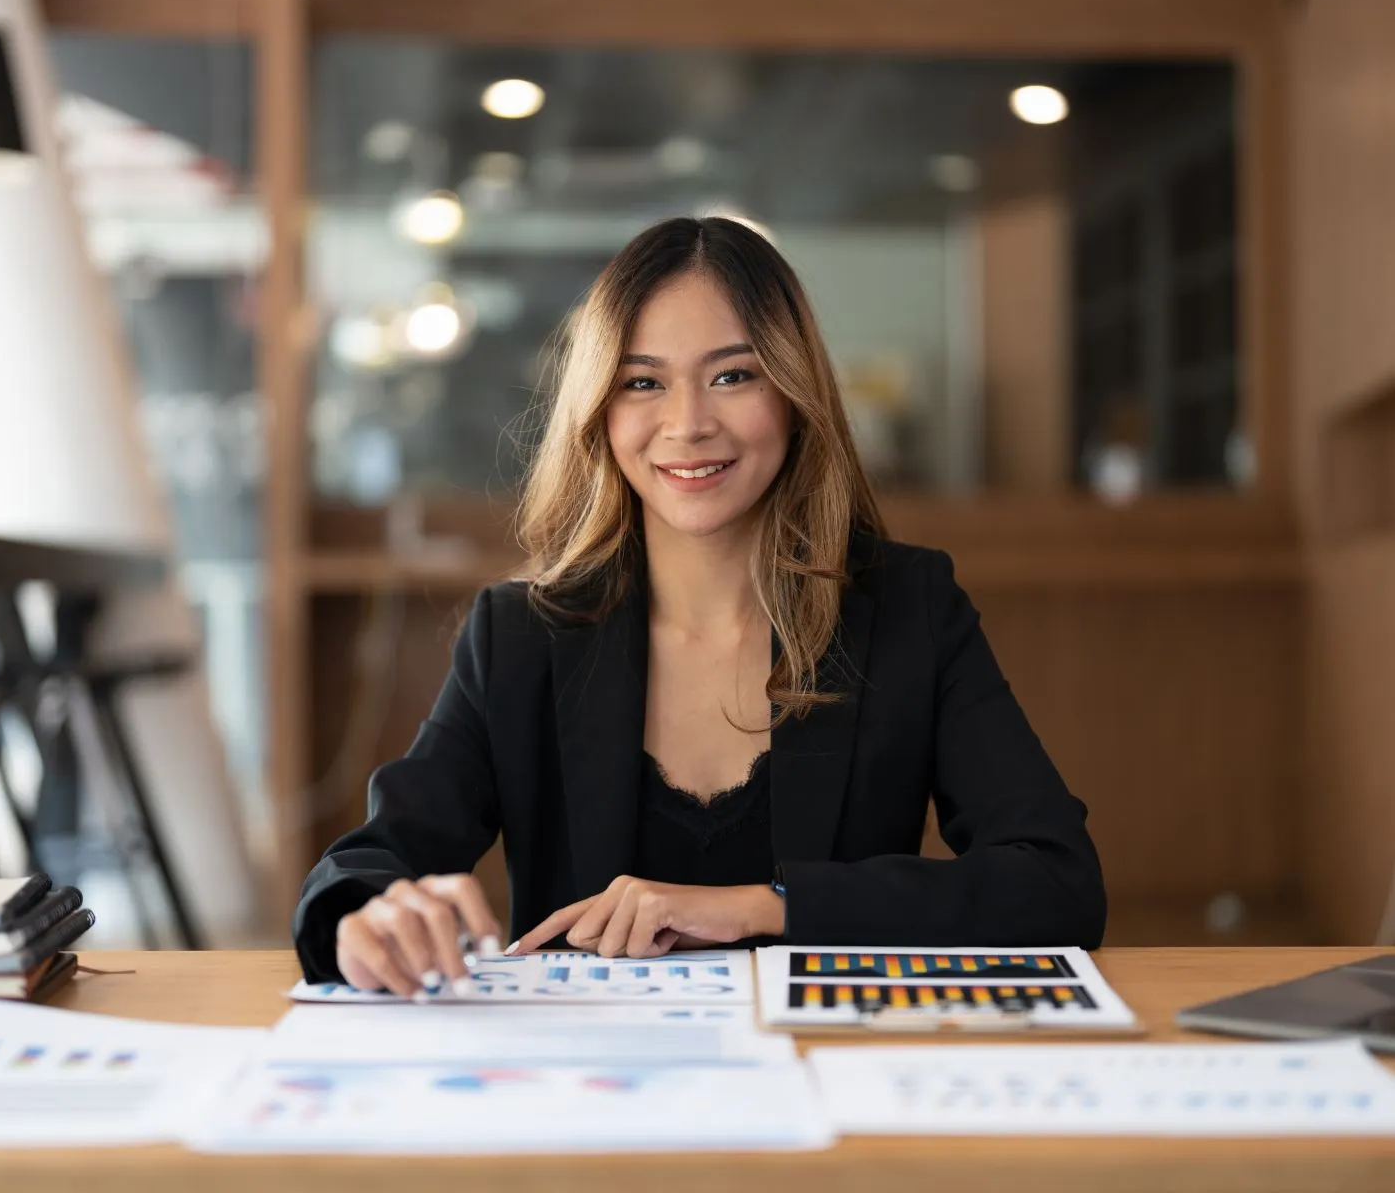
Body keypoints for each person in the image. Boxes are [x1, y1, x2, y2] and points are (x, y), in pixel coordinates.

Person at [293, 216, 1106, 995]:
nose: (687, 424)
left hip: (830, 1072)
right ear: (599, 414)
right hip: (595, 1087)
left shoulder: (907, 608)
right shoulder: (519, 636)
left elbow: (1056, 882)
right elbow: (373, 864)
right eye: (642, 382)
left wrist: (768, 907)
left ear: (792, 393)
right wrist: (366, 919)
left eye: (732, 375)